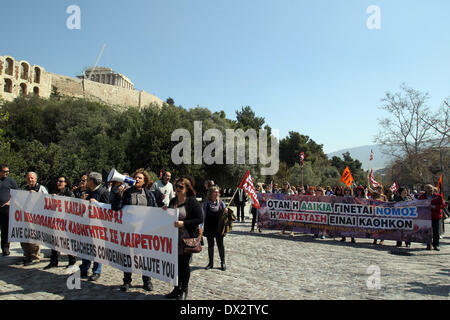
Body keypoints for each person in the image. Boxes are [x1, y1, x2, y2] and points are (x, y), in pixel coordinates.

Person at [110, 168, 160, 292]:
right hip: (129, 231)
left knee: (145, 257)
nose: (137, 179)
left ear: (144, 181)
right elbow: (116, 208)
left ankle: (146, 281)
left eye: (140, 178)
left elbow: (155, 210)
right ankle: (127, 281)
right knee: (128, 256)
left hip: (144, 231)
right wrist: (118, 194)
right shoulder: (126, 192)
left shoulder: (149, 194)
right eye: (136, 177)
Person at [164, 177, 203, 300]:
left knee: (184, 265)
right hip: (173, 238)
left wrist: (183, 223)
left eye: (181, 187)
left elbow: (199, 219)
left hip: (186, 239)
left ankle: (184, 289)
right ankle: (176, 288)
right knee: (175, 265)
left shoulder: (192, 202)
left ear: (187, 189)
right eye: (177, 186)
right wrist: (165, 211)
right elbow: (169, 216)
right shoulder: (173, 200)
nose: (178, 189)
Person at [79, 172, 110, 281]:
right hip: (87, 224)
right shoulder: (88, 192)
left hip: (98, 226)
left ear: (92, 181)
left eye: (88, 180)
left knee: (97, 249)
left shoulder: (104, 192)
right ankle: (84, 268)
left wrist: (97, 203)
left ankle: (96, 271)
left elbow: (108, 209)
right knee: (86, 247)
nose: (86, 182)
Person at [44, 175, 78, 271]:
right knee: (53, 241)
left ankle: (72, 261)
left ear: (66, 183)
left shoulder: (69, 193)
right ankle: (53, 261)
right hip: (55, 221)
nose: (58, 183)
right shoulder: (55, 192)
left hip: (66, 221)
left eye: (61, 181)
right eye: (58, 181)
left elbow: (72, 206)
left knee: (67, 242)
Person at [21, 172, 48, 265]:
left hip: (36, 218)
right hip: (25, 217)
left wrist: (36, 195)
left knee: (34, 238)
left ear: (36, 179)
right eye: (28, 178)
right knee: (23, 237)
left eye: (32, 178)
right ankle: (27, 256)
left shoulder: (41, 188)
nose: (30, 180)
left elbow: (47, 201)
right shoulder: (25, 189)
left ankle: (35, 257)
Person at [202, 185, 228, 271]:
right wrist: (200, 228)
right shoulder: (205, 204)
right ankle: (211, 263)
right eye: (215, 192)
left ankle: (222, 262)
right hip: (209, 227)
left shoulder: (221, 203)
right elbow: (202, 216)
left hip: (219, 228)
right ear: (210, 193)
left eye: (217, 192)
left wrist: (226, 211)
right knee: (210, 246)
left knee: (220, 245)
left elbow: (226, 216)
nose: (217, 193)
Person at [419, 184, 446, 251]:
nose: (430, 189)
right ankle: (428, 244)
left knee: (436, 232)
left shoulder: (438, 196)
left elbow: (443, 205)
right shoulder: (422, 197)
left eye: (431, 188)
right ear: (425, 190)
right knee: (427, 231)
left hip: (435, 216)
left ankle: (436, 245)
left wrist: (434, 207)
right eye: (428, 188)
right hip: (426, 217)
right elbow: (419, 205)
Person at [0, 164, 18, 256]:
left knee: (5, 229)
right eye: (5, 171)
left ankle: (5, 248)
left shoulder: (11, 181)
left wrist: (10, 202)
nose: (7, 173)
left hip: (5, 208)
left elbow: (17, 193)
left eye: (8, 171)